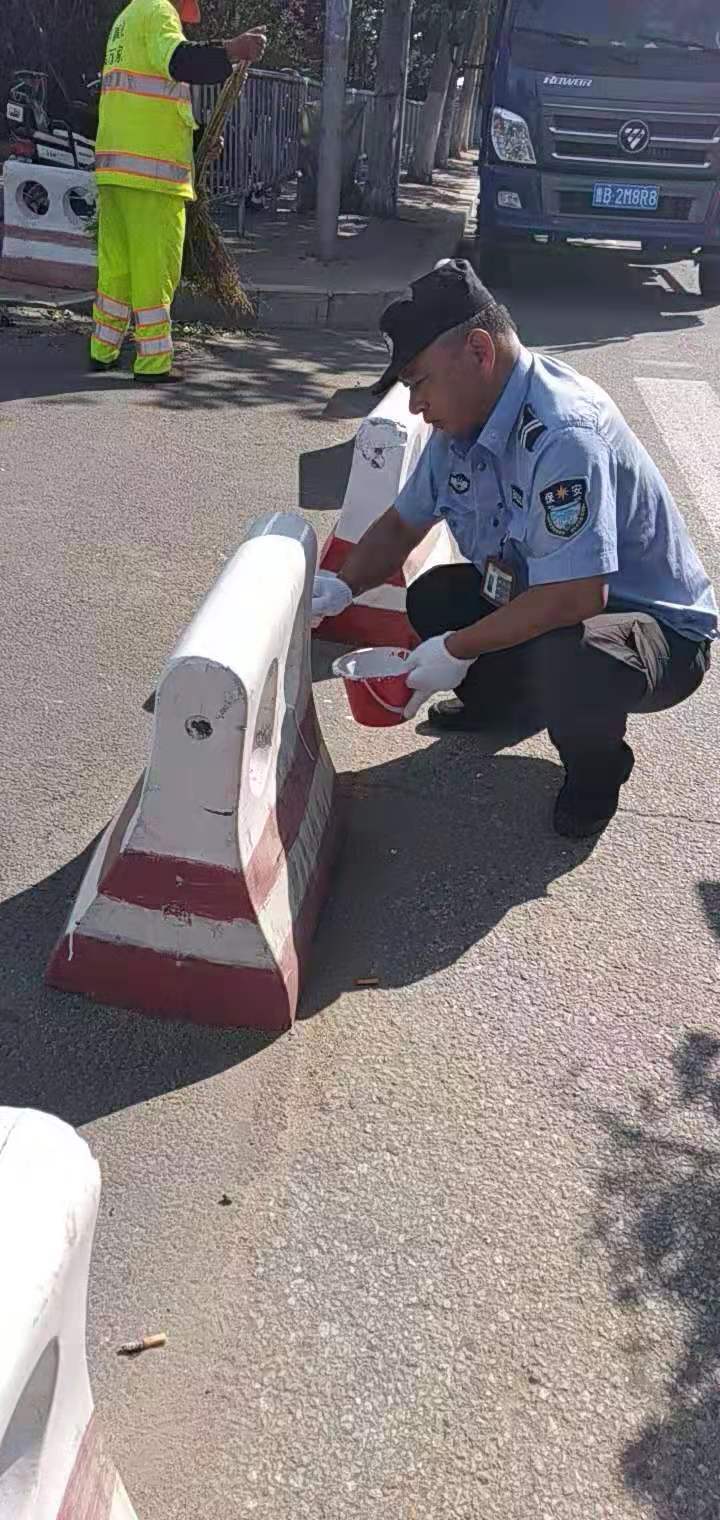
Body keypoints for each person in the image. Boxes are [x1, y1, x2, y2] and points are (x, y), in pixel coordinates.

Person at [312, 259, 717, 839]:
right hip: (545, 592)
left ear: (479, 351)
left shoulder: (564, 432)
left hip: (653, 630)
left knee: (573, 654)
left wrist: (456, 648)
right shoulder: (462, 424)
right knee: (436, 595)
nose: (415, 405)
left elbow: (576, 597)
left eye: (419, 382)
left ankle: (596, 773)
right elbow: (402, 524)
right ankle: (499, 704)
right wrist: (341, 585)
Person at [90, 0, 266, 384]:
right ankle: (153, 362)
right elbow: (179, 61)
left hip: (117, 169)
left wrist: (197, 141)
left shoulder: (126, 19)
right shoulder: (157, 12)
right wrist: (232, 50)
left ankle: (102, 349)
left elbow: (149, 102)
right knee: (155, 270)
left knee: (117, 268)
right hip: (152, 176)